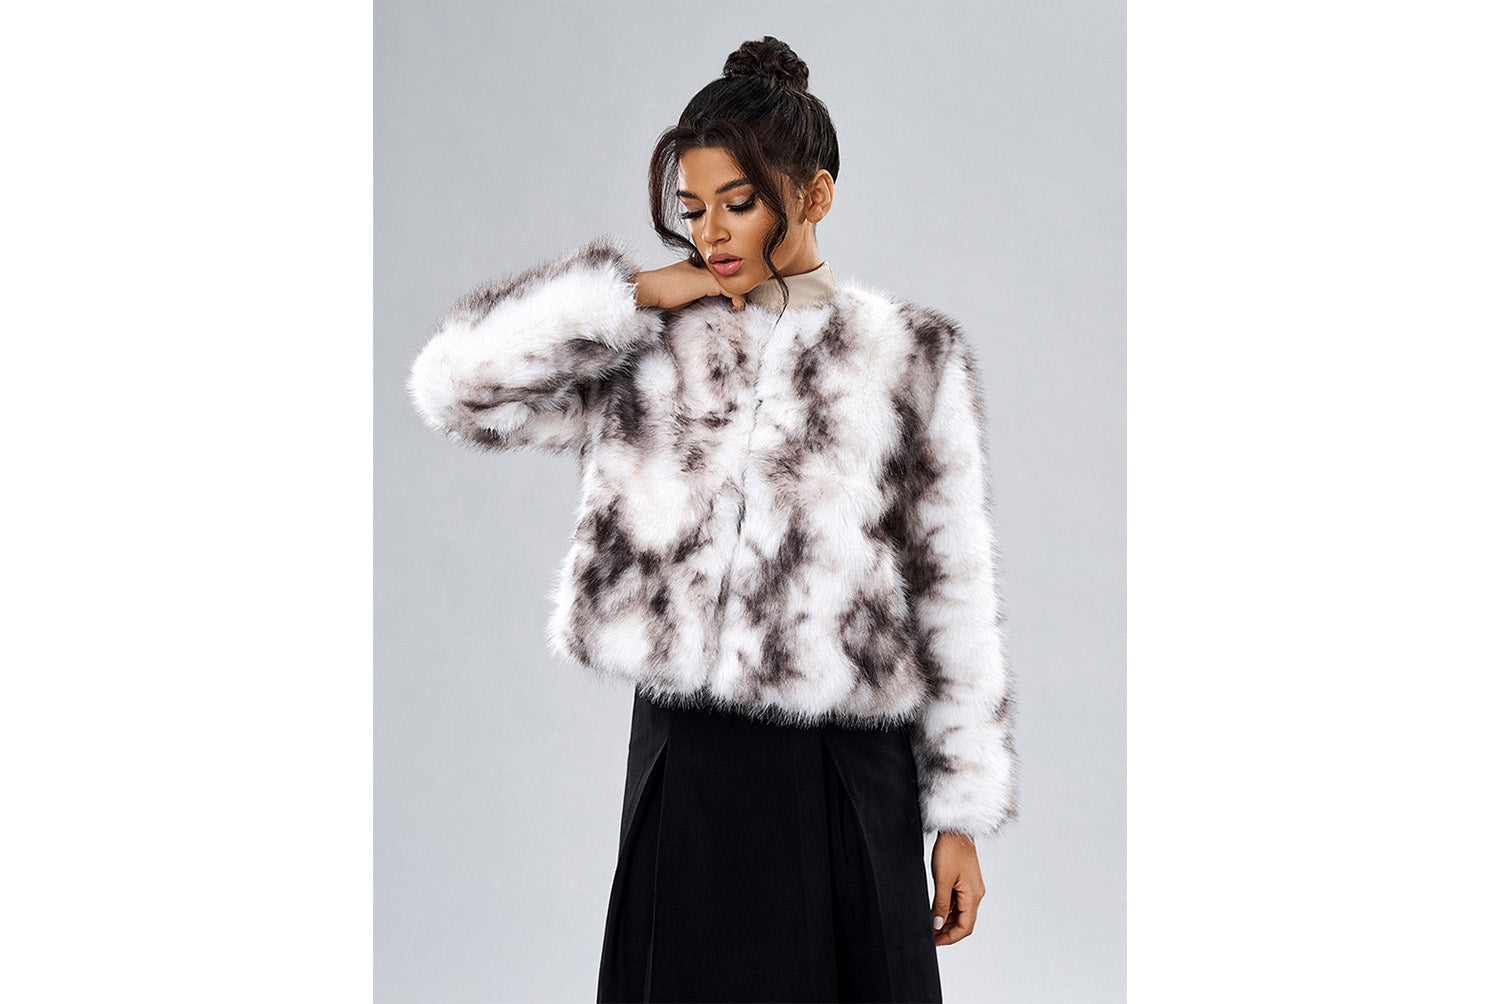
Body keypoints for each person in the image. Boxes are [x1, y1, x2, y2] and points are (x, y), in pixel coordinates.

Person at [406, 36, 1017, 1004]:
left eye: (739, 202)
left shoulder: (909, 358)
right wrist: (632, 295)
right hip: (689, 753)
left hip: (848, 762)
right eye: (693, 210)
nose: (713, 233)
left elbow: (954, 594)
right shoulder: (648, 345)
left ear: (813, 196)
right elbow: (457, 388)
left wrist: (961, 818)